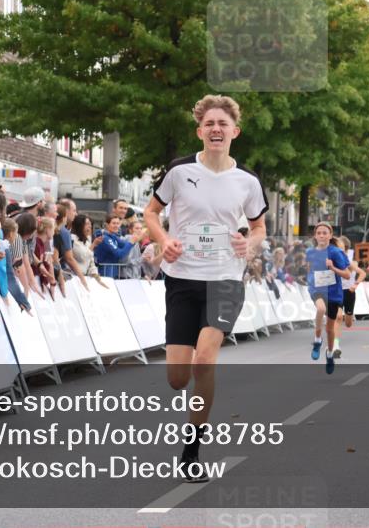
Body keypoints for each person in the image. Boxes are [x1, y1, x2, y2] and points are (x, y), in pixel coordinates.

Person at [143, 94, 267, 482]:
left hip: (226, 281)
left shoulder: (247, 182)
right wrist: (164, 241)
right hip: (182, 280)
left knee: (204, 361)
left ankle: (192, 451)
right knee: (178, 377)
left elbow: (260, 226)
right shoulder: (180, 172)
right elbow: (151, 212)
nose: (216, 129)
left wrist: (251, 244)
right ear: (200, 131)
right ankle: (191, 433)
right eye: (209, 124)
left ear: (235, 131)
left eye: (222, 124)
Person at [305, 223, 350, 374]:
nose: (322, 235)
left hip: (334, 293)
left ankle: (329, 354)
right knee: (320, 308)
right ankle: (317, 341)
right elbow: (309, 268)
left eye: (325, 233)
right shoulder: (310, 252)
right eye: (319, 233)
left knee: (330, 329)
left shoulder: (336, 252)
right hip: (317, 289)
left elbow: (347, 275)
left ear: (330, 236)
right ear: (315, 236)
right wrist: (310, 278)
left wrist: (333, 268)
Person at [332, 236, 366, 359]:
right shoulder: (333, 259)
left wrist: (355, 285)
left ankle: (346, 317)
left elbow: (363, 273)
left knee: (348, 323)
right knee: (338, 317)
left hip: (349, 293)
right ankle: (336, 345)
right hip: (337, 292)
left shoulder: (350, 261)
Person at [70, 214, 110, 289]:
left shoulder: (87, 240)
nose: (90, 226)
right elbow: (83, 256)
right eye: (87, 224)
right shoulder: (73, 239)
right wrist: (93, 245)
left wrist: (95, 275)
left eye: (90, 224)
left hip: (84, 277)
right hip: (74, 278)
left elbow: (91, 261)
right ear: (79, 226)